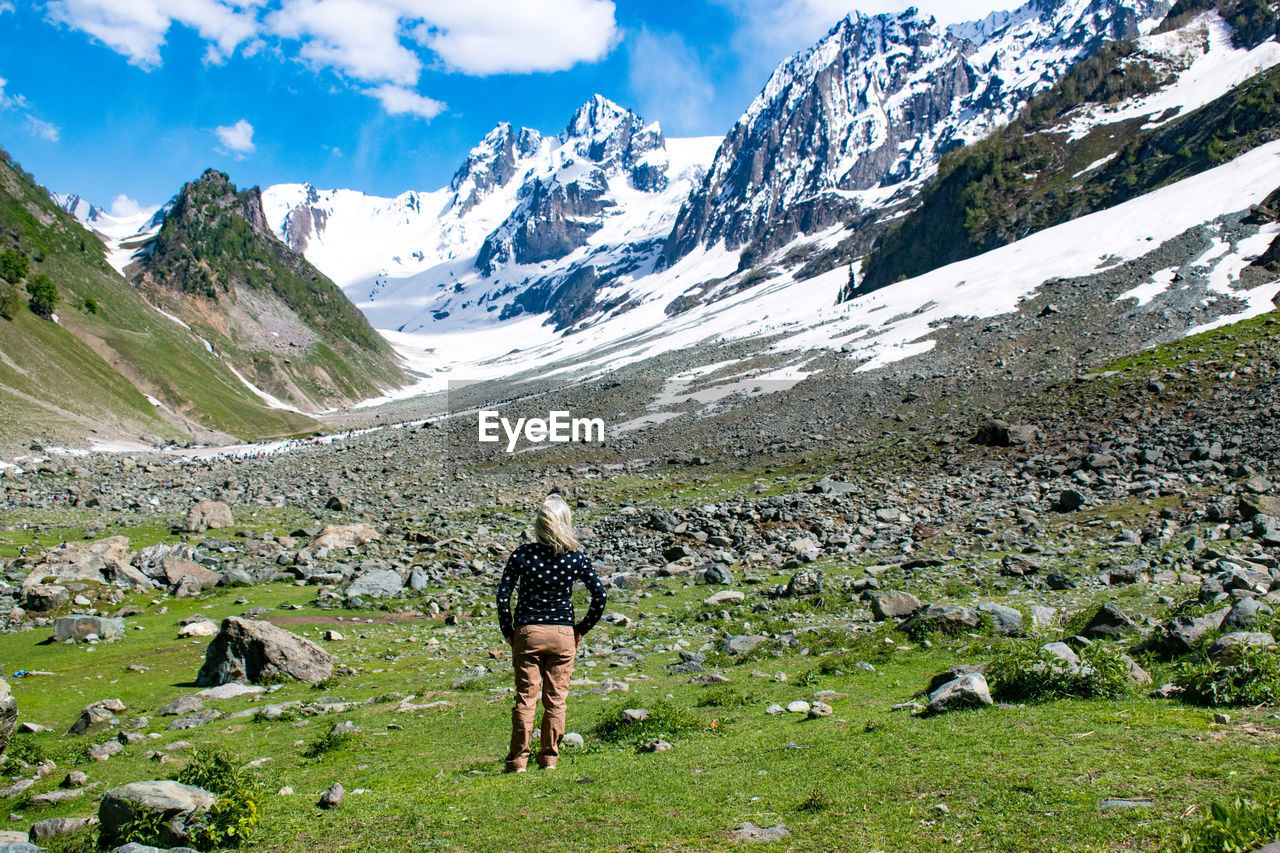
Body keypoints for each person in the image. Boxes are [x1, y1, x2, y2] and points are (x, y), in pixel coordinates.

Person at [496, 494, 607, 772]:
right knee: (556, 700)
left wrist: (509, 632)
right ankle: (549, 759)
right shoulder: (575, 558)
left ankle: (518, 760)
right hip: (562, 633)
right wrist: (580, 629)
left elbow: (503, 596)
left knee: (526, 697)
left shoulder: (522, 554)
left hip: (528, 631)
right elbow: (600, 596)